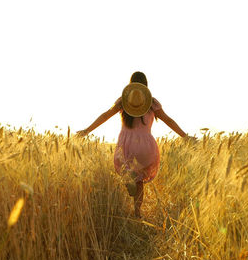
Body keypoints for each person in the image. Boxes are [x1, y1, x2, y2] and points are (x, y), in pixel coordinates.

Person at [76, 71, 196, 217]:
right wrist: (185, 136)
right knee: (139, 182)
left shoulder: (123, 102)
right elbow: (169, 121)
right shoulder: (152, 103)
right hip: (146, 147)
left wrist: (87, 130)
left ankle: (129, 181)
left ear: (130, 86)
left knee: (129, 174)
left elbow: (105, 115)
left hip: (127, 145)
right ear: (146, 86)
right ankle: (137, 213)